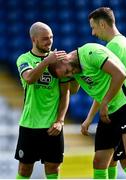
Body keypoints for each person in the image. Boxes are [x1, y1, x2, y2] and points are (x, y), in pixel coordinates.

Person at [46, 42, 126, 179]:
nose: (71, 73)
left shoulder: (90, 53)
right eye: (67, 75)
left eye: (68, 71)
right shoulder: (74, 70)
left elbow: (120, 75)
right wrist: (89, 118)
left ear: (64, 58)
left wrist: (105, 103)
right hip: (109, 111)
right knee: (99, 162)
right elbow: (74, 91)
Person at [81, 7, 126, 179]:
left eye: (93, 27)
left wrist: (89, 118)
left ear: (102, 24)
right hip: (125, 106)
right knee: (117, 160)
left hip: (118, 108)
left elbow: (106, 87)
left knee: (125, 158)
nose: (93, 33)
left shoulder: (113, 47)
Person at [15, 22, 70, 179]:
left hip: (52, 126)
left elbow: (66, 93)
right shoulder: (24, 59)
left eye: (51, 37)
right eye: (45, 39)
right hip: (30, 124)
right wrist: (46, 61)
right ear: (34, 39)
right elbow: (30, 78)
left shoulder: (59, 61)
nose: (50, 42)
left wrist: (60, 121)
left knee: (53, 167)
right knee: (25, 168)